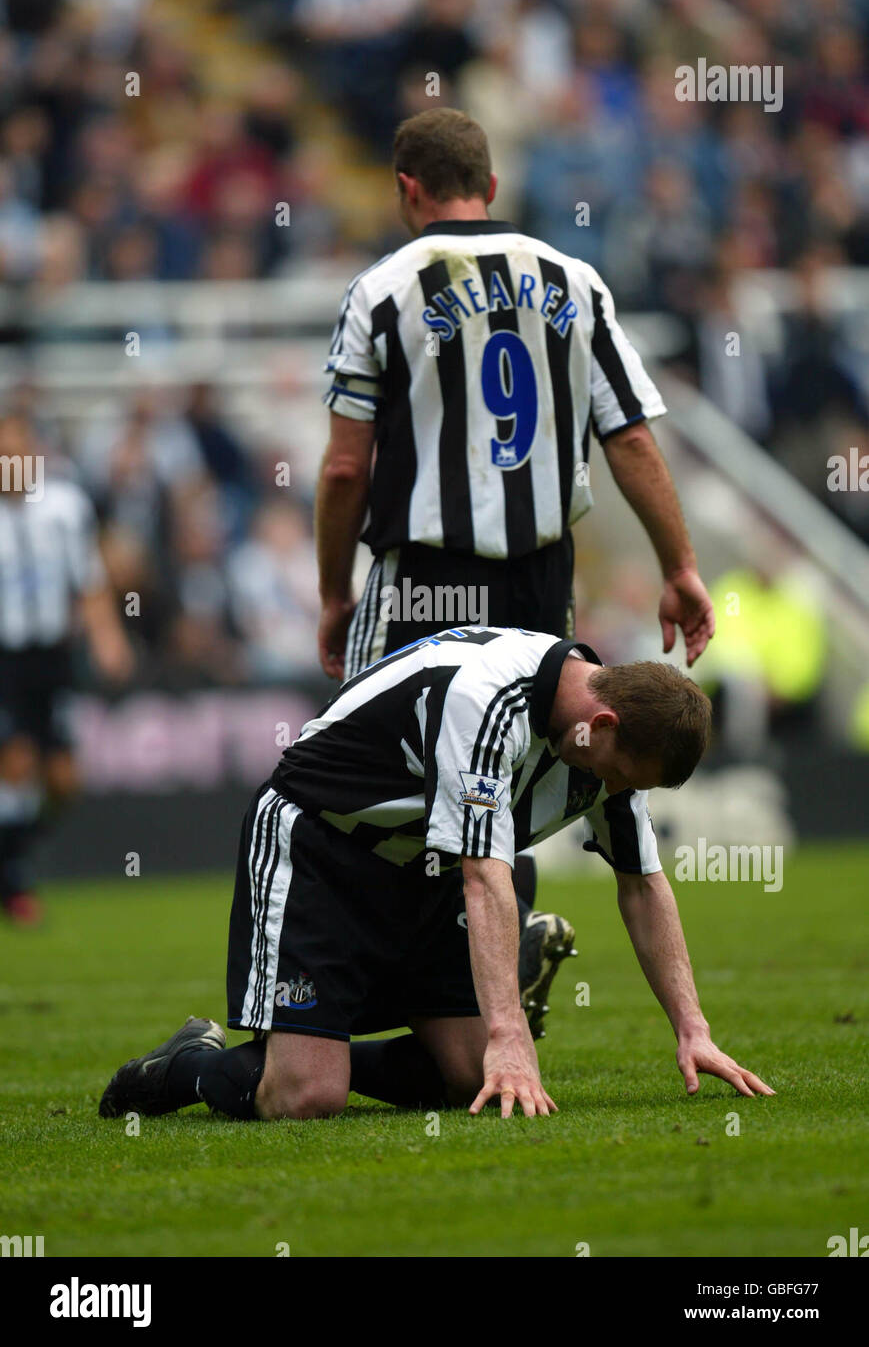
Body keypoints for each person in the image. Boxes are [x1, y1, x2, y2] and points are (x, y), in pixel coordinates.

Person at [314, 108, 715, 1035]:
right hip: (537, 580)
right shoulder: (575, 280)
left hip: (421, 575)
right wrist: (679, 564)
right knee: (521, 763)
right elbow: (630, 439)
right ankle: (489, 971)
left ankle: (395, 998)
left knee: (384, 768)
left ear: (405, 188)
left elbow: (343, 468)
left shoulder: (381, 288)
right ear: (490, 187)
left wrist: (335, 591)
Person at [99, 627, 773, 1123]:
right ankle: (185, 1066)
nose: (616, 791)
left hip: (429, 865)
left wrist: (692, 1028)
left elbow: (641, 882)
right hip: (321, 847)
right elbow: (484, 875)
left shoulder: (604, 741)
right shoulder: (486, 700)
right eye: (620, 775)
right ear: (600, 725)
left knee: (465, 1079)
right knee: (306, 1098)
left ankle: (313, 1047)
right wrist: (509, 1036)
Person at [0, 412, 133, 924]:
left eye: (19, 450)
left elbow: (89, 582)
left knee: (62, 780)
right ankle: (14, 883)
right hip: (4, 659)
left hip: (51, 658)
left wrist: (108, 639)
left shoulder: (64, 507)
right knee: (14, 759)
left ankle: (10, 855)